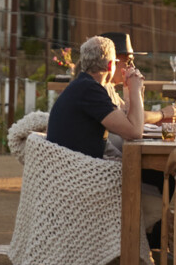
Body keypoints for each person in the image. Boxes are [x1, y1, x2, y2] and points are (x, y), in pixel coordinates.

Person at [46, 34, 165, 251]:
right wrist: (136, 89)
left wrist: (129, 91)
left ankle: (150, 250)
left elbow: (128, 123)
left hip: (76, 174)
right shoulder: (90, 91)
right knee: (163, 189)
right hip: (85, 181)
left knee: (156, 181)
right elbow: (134, 131)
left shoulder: (84, 87)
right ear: (111, 65)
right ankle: (141, 253)